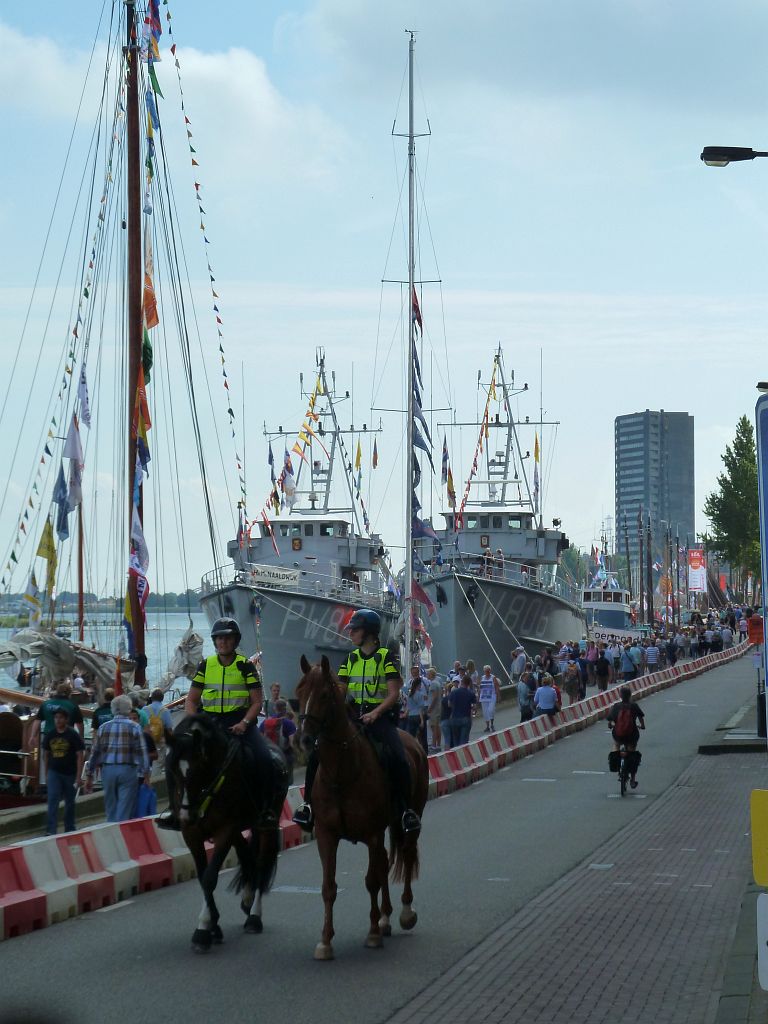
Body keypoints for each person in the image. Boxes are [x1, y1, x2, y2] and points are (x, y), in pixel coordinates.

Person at [292, 608, 422, 835]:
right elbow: (341, 689)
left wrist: (376, 713)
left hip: (379, 718)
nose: (350, 633)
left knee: (398, 756)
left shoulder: (386, 657)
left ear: (369, 633)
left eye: (355, 629)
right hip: (353, 716)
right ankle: (308, 806)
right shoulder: (350, 659)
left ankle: (405, 810)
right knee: (316, 755)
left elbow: (393, 693)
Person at [157, 617, 273, 830]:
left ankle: (265, 811)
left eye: (227, 638)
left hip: (239, 723)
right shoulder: (206, 665)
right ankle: (175, 811)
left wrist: (244, 723)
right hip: (208, 724)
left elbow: (257, 702)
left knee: (264, 758)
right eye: (219, 638)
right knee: (174, 757)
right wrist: (193, 721)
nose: (223, 642)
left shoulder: (245, 666)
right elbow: (192, 700)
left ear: (235, 640)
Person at [84, 695, 150, 822]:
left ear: (112, 709)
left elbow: (95, 752)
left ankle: (111, 826)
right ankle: (120, 829)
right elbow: (142, 752)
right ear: (129, 708)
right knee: (124, 808)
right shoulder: (135, 727)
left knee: (110, 807)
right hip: (128, 769)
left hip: (108, 770)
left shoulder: (103, 727)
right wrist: (146, 774)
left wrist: (89, 774)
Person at [42, 707, 85, 835]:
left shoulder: (73, 734)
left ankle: (69, 827)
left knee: (70, 801)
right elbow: (46, 755)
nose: (58, 720)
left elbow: (80, 755)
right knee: (53, 798)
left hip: (70, 773)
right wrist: (46, 773)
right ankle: (51, 829)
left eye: (61, 717)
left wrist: (78, 776)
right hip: (54, 771)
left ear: (66, 719)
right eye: (56, 717)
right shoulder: (50, 734)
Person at [607, 686, 646, 789]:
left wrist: (611, 725)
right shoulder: (634, 706)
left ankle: (617, 764)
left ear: (620, 695)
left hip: (618, 735)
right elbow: (641, 717)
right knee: (632, 753)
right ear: (630, 695)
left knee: (616, 744)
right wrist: (642, 726)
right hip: (631, 735)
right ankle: (632, 780)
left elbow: (610, 720)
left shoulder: (616, 706)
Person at [259, 698, 297, 784]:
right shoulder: (289, 723)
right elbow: (292, 743)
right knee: (288, 782)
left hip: (271, 756)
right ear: (285, 708)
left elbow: (260, 739)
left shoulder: (265, 722)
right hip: (286, 757)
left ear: (274, 708)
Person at [145, 688, 173, 763]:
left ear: (152, 698)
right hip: (160, 742)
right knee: (158, 764)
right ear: (162, 699)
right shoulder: (165, 711)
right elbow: (169, 729)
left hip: (147, 741)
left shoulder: (145, 709)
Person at [448, 674, 477, 747]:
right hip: (466, 718)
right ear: (469, 683)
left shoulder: (454, 692)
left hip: (454, 718)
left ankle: (457, 752)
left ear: (461, 682)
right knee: (464, 741)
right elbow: (474, 707)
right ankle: (463, 753)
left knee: (456, 741)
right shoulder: (471, 693)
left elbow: (449, 704)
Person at [478, 665, 501, 732]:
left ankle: (492, 724)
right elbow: (480, 688)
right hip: (484, 697)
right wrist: (478, 696)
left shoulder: (493, 677)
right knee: (485, 712)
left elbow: (497, 687)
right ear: (484, 671)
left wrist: (498, 696)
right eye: (486, 671)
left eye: (488, 670)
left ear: (490, 670)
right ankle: (487, 726)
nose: (487, 672)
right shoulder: (482, 678)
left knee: (491, 710)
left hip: (492, 696)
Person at [425, 668, 442, 752]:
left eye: (427, 674)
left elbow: (434, 697)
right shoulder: (437, 683)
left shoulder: (433, 684)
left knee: (433, 727)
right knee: (437, 726)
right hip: (437, 707)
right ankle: (438, 744)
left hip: (434, 709)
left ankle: (434, 745)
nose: (426, 675)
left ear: (431, 674)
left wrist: (430, 708)